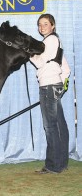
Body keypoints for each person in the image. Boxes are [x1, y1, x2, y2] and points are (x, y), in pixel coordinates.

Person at [30, 13, 70, 174]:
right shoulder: (55, 41)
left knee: (50, 126)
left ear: (52, 25)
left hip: (48, 86)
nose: (42, 27)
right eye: (40, 24)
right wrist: (61, 83)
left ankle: (53, 165)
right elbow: (65, 67)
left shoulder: (50, 40)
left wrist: (30, 53)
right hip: (54, 85)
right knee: (59, 124)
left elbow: (40, 62)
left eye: (45, 23)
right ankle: (61, 162)